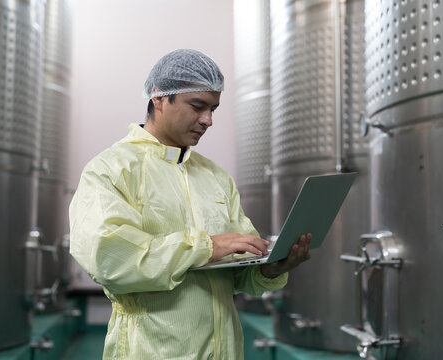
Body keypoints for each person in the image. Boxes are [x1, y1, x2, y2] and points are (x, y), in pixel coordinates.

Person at [69, 49, 311, 359]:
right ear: (159, 97)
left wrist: (271, 268)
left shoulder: (215, 177)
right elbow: (109, 259)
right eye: (198, 106)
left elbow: (236, 271)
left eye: (213, 109)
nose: (208, 120)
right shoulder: (111, 169)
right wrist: (206, 247)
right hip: (150, 350)